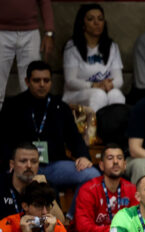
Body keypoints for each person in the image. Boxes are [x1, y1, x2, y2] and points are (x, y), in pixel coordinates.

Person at [0, 61, 99, 190]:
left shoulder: (60, 107)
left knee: (92, 174)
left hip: (54, 165)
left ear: (51, 82)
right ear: (27, 81)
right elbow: (3, 140)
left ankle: (75, 205)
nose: (42, 84)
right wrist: (9, 161)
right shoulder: (13, 106)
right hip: (24, 165)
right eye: (37, 80)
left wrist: (83, 157)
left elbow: (74, 138)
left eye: (46, 80)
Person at [73, 143, 138, 232]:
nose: (115, 162)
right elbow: (84, 229)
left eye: (119, 158)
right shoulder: (88, 189)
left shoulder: (132, 190)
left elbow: (137, 226)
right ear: (101, 165)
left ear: (125, 165)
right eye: (110, 158)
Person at [62, 4, 125, 112]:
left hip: (103, 89)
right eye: (91, 19)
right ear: (82, 24)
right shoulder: (72, 47)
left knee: (116, 94)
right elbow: (70, 81)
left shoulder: (112, 46)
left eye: (100, 19)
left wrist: (109, 85)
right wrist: (93, 85)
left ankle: (116, 123)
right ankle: (92, 123)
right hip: (76, 94)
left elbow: (119, 80)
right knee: (98, 95)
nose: (97, 23)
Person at [0, 0, 54, 109]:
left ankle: (32, 118)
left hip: (30, 33)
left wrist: (49, 32)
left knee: (33, 85)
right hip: (1, 31)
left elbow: (45, 2)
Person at [0, 181, 74, 232]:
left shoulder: (55, 225)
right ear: (25, 206)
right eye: (39, 206)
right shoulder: (8, 224)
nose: (45, 212)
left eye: (47, 206)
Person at [0, 142, 64, 222]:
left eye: (34, 161)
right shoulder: (2, 183)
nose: (29, 165)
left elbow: (60, 221)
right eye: (23, 161)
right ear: (12, 164)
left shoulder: (46, 185)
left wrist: (45, 192)